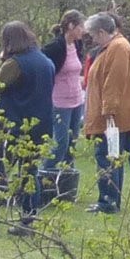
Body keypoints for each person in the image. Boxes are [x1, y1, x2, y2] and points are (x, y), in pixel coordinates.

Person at [82, 12, 130, 214]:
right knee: (113, 157)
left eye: (93, 35)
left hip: (112, 117)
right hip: (113, 115)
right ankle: (111, 200)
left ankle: (109, 202)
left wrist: (108, 111)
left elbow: (114, 81)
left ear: (102, 32)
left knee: (107, 157)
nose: (93, 40)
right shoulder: (114, 47)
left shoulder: (118, 48)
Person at [0, 21, 54, 235]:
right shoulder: (46, 61)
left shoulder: (15, 64)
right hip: (40, 127)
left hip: (14, 126)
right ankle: (28, 220)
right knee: (29, 174)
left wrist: (2, 60)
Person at [41, 11, 86, 196]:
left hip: (77, 100)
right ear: (71, 26)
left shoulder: (77, 44)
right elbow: (43, 68)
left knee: (72, 142)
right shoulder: (55, 47)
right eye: (80, 26)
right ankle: (44, 179)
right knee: (60, 142)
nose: (83, 30)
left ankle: (67, 185)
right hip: (59, 101)